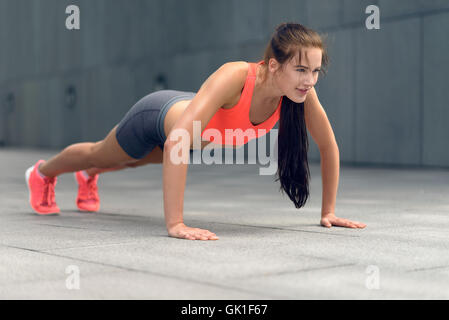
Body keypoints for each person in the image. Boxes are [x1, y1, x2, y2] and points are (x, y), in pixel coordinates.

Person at [25, 22, 366, 241]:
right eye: (302, 69)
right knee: (101, 152)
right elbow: (177, 141)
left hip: (192, 127)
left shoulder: (300, 93)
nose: (310, 79)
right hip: (157, 115)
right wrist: (176, 224)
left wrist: (328, 212)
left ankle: (89, 177)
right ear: (274, 65)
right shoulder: (236, 75)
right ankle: (42, 173)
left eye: (316, 71)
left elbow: (328, 145)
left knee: (134, 161)